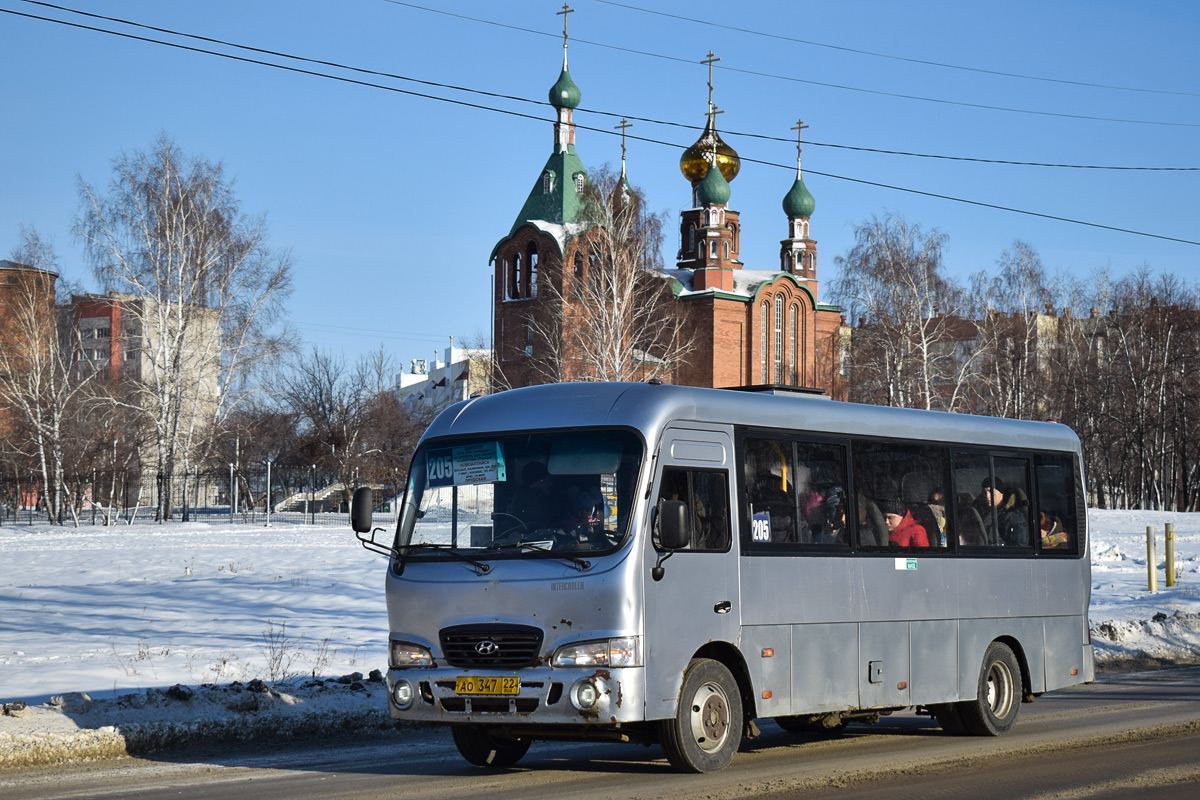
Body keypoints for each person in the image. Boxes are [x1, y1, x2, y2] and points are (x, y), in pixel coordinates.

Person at [977, 478, 1029, 546]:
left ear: (1001, 493)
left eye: (991, 492)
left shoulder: (1014, 517)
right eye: (984, 492)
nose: (987, 496)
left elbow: (1019, 546)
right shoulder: (981, 512)